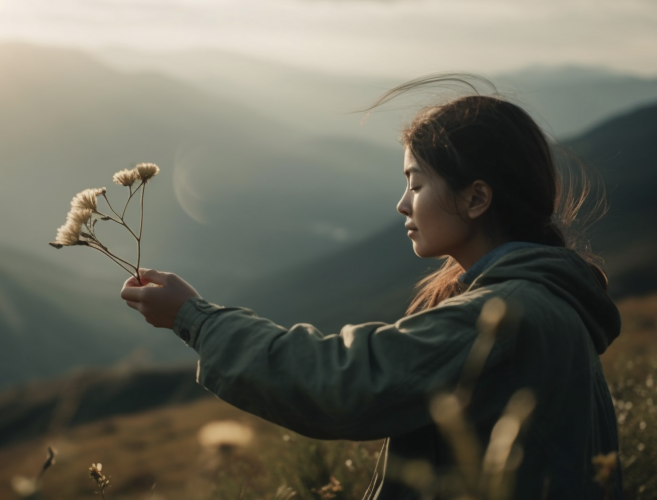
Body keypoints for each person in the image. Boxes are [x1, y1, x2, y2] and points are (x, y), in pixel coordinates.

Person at [120, 80, 622, 500]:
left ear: (476, 198)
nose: (402, 204)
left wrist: (196, 319)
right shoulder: (547, 301)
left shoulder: (507, 314)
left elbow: (345, 383)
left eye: (416, 183)